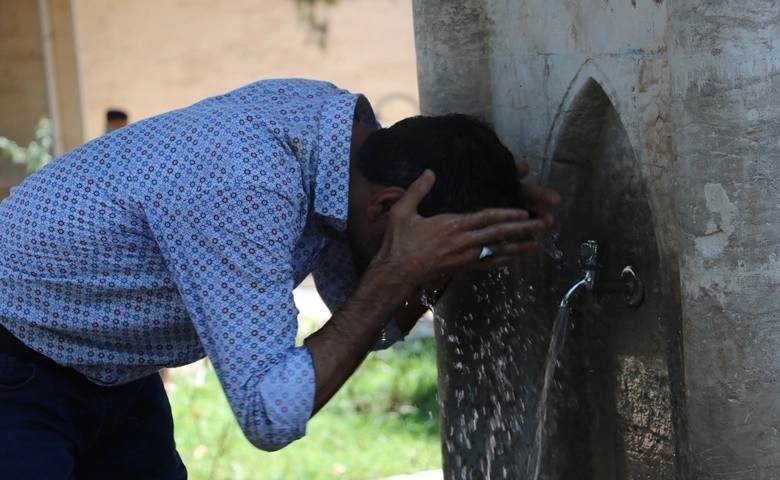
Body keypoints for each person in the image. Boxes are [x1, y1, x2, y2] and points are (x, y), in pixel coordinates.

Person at [0, 79, 561, 478]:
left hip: (110, 370)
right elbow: (269, 411)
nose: (429, 264)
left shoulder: (339, 140)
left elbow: (370, 324)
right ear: (389, 203)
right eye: (426, 247)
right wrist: (399, 271)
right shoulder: (246, 185)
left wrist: (461, 237)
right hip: (17, 362)